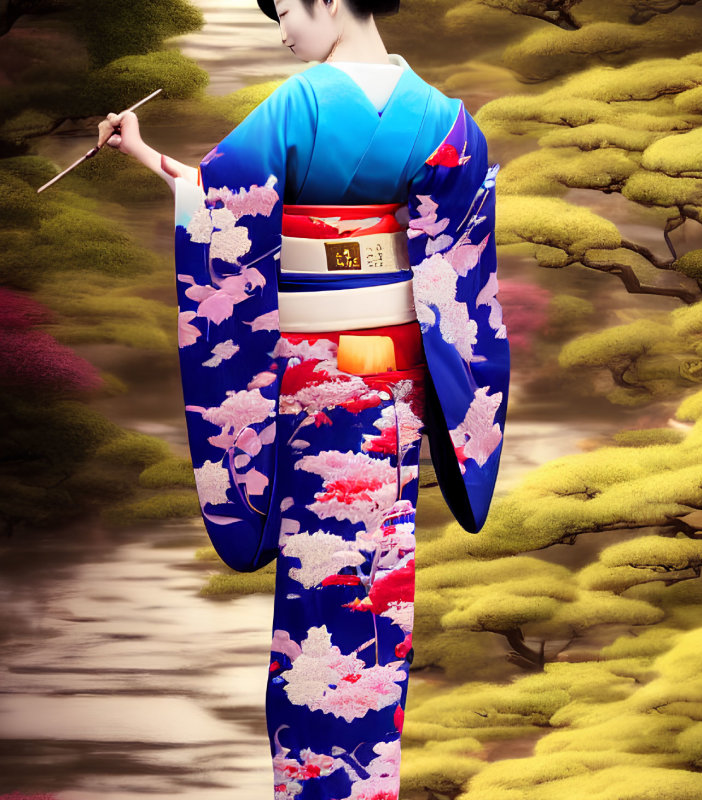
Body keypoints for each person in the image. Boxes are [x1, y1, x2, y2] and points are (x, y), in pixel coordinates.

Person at [97, 1, 509, 798]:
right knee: (381, 582)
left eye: (287, 9)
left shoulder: (300, 103)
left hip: (315, 386)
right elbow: (461, 269)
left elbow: (224, 209)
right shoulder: (450, 121)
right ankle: (366, 779)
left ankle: (319, 781)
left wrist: (146, 158)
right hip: (397, 391)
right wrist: (148, 152)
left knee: (322, 598)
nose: (284, 31)